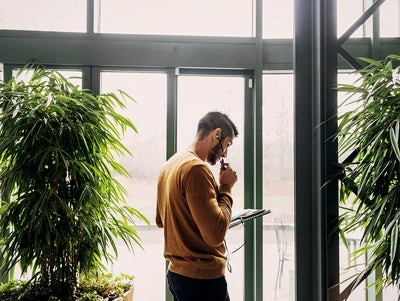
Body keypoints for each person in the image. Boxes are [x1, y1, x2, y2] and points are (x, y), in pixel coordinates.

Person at [156, 111, 239, 301]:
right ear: (216, 134)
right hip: (202, 281)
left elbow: (162, 220)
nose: (225, 153)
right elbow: (215, 235)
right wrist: (225, 188)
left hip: (177, 276)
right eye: (226, 144)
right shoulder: (197, 169)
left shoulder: (170, 164)